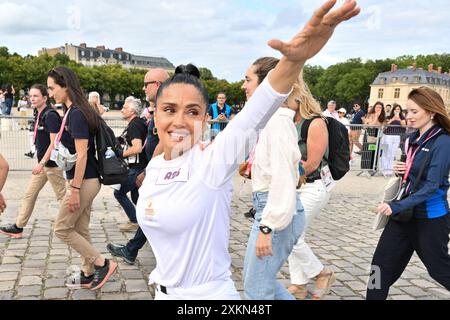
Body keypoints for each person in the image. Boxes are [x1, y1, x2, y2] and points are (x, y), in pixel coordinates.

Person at [135, 0, 360, 300]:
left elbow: (256, 113)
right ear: (155, 114)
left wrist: (294, 62)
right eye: (169, 109)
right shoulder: (155, 167)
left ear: (205, 117)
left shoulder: (213, 161)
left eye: (192, 112)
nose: (179, 121)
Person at [367, 87, 450, 300]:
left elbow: (432, 186)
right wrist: (400, 169)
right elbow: (412, 174)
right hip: (403, 216)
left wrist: (394, 206)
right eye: (407, 111)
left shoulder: (443, 142)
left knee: (439, 270)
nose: (409, 116)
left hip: (429, 218)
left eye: (414, 111)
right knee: (379, 267)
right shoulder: (411, 138)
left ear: (431, 111)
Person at [47, 67, 117, 290]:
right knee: (80, 228)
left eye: (52, 88)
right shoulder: (74, 111)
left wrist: (75, 189)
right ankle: (88, 272)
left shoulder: (76, 113)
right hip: (85, 179)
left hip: (84, 180)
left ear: (65, 86)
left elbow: (83, 154)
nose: (50, 93)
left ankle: (102, 263)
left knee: (62, 228)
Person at [242, 60, 305, 300]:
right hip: (270, 208)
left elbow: (283, 179)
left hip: (276, 212)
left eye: (248, 79)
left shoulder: (277, 122)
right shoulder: (270, 121)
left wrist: (267, 227)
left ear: (266, 85)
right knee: (259, 283)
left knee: (257, 290)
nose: (243, 86)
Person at [107, 69, 168, 264]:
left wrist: (149, 170)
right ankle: (133, 249)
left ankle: (132, 249)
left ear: (157, 84)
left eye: (146, 84)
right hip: (153, 169)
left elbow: (162, 142)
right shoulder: (159, 108)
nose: (144, 88)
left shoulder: (163, 108)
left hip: (156, 170)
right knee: (151, 211)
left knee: (153, 212)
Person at [287, 72, 335, 300]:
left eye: (285, 97)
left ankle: (321, 273)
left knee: (291, 234)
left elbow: (313, 163)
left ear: (297, 97)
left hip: (314, 185)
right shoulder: (287, 120)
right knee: (296, 234)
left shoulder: (315, 122)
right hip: (294, 185)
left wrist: (283, 174)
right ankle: (298, 283)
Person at [0, 84, 66, 239]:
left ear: (45, 97)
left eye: (36, 96)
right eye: (31, 96)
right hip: (43, 166)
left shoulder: (50, 115)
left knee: (64, 198)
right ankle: (18, 227)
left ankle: (73, 225)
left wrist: (41, 163)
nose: (32, 99)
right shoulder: (39, 113)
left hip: (51, 165)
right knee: (29, 195)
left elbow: (54, 143)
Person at [114, 96, 149, 232]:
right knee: (136, 196)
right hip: (139, 166)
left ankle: (135, 220)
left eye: (124, 108)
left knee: (119, 193)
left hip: (137, 167)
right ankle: (145, 220)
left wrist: (120, 154)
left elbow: (137, 148)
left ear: (133, 111)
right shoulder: (136, 123)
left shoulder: (135, 125)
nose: (122, 110)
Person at [380, 103, 407, 176]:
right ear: (393, 110)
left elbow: (404, 126)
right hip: (387, 136)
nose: (397, 110)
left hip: (397, 136)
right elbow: (385, 125)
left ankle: (389, 170)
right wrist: (392, 119)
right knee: (386, 152)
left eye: (398, 109)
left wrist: (398, 118)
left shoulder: (402, 117)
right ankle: (384, 168)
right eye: (395, 109)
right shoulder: (389, 116)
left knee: (392, 153)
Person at [360, 101, 386, 176]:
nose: (378, 109)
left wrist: (379, 119)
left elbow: (383, 126)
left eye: (380, 107)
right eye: (377, 107)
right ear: (374, 108)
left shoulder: (383, 117)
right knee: (367, 151)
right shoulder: (370, 115)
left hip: (377, 135)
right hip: (369, 134)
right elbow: (371, 126)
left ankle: (373, 168)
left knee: (374, 151)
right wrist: (376, 117)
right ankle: (365, 168)